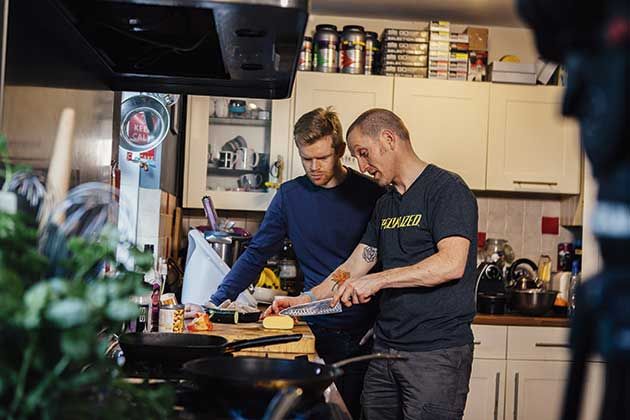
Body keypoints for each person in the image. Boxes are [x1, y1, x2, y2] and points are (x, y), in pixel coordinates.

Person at [266, 108, 478, 420]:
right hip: (384, 350)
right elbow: (354, 266)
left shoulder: (446, 189)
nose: (363, 167)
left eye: (364, 153)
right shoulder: (387, 203)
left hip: (435, 354)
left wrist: (377, 281)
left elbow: (451, 263)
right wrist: (303, 301)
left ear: (389, 139)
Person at [185, 107, 384, 419]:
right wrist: (214, 302)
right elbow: (256, 254)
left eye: (322, 157)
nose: (314, 167)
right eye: (307, 159)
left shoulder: (371, 193)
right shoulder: (290, 196)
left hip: (365, 333)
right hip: (313, 326)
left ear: (340, 151)